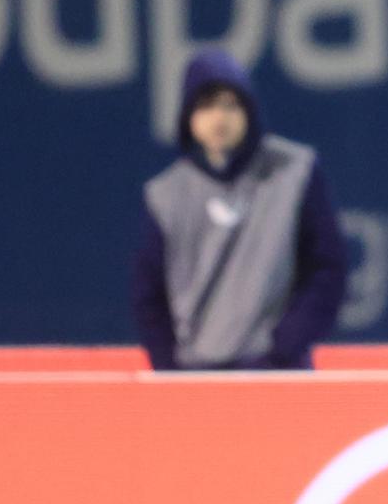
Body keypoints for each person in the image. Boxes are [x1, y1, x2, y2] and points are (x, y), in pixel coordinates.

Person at [132, 49, 347, 370]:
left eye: (230, 105)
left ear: (248, 110)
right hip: (195, 381)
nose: (219, 118)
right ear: (188, 116)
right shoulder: (165, 195)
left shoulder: (294, 172)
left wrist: (284, 347)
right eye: (205, 106)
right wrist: (171, 370)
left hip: (279, 377)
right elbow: (149, 298)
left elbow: (327, 268)